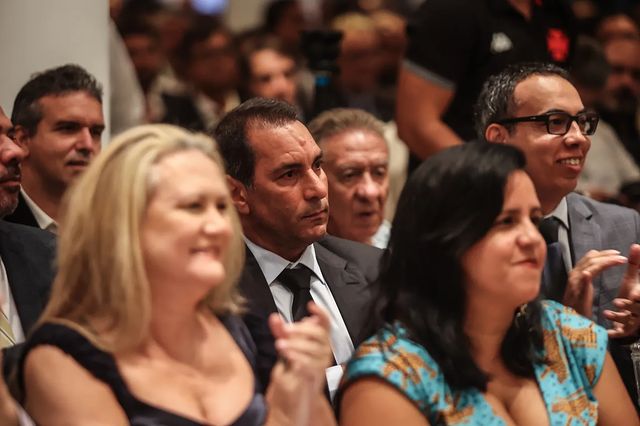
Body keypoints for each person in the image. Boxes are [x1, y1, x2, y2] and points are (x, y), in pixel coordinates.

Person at [12, 124, 335, 425]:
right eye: (193, 207)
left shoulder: (246, 326)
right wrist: (280, 414)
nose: (219, 227)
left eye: (221, 207)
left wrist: (303, 387)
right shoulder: (63, 360)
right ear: (126, 223)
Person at [338, 143, 638, 425]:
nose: (532, 239)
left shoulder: (569, 335)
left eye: (534, 220)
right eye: (507, 221)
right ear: (444, 241)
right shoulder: (391, 377)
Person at [476, 61, 640, 407]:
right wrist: (564, 327)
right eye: (555, 122)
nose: (579, 138)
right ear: (499, 139)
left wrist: (634, 333)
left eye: (582, 122)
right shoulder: (467, 241)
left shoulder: (626, 227)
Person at [214, 98, 381, 398]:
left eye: (317, 166)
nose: (317, 189)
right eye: (289, 174)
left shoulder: (375, 269)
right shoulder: (214, 294)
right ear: (237, 194)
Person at [396, 0, 575, 165]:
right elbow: (415, 125)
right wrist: (499, 179)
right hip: (459, 179)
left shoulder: (557, 12)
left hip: (539, 175)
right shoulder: (452, 9)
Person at [6, 64, 105, 233]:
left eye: (95, 132)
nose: (88, 145)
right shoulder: (5, 220)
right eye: (68, 128)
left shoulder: (111, 224)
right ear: (22, 139)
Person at [308, 108, 390, 248]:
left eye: (379, 173)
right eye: (350, 175)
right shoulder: (296, 255)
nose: (371, 192)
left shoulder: (404, 246)